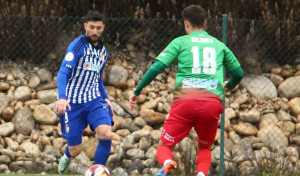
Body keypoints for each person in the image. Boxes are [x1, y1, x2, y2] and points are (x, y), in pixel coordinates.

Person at [129, 5, 244, 176]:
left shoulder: (180, 42)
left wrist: (137, 91)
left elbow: (157, 67)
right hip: (211, 104)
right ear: (205, 23)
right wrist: (230, 85)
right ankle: (201, 174)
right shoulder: (220, 45)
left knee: (165, 146)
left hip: (185, 102)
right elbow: (238, 73)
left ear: (186, 24)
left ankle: (167, 162)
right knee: (205, 147)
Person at [56, 10, 114, 174]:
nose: (95, 32)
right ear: (85, 26)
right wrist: (61, 98)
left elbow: (97, 78)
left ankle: (98, 171)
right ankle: (67, 156)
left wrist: (105, 97)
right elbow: (62, 73)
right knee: (75, 150)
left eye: (98, 28)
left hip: (94, 101)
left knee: (106, 133)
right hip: (72, 104)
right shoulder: (77, 46)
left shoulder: (103, 52)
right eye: (91, 27)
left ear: (103, 28)